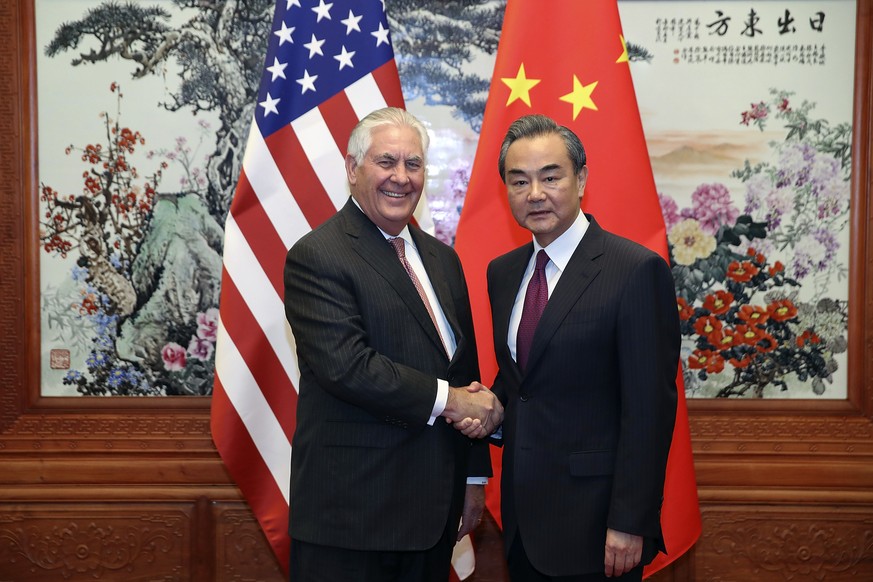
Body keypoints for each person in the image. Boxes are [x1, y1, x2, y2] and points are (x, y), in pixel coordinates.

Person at [283, 106, 503, 582]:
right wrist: (451, 402)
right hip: (351, 520)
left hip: (432, 517)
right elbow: (348, 366)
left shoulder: (443, 260)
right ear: (352, 169)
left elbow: (463, 370)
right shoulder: (317, 256)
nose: (401, 178)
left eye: (414, 164)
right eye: (387, 162)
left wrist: (472, 479)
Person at [484, 114, 679, 581]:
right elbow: (523, 383)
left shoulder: (634, 270)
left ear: (581, 179)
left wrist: (630, 522)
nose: (535, 194)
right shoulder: (503, 272)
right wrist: (484, 409)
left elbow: (648, 410)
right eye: (519, 181)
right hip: (522, 522)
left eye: (551, 177)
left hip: (598, 527)